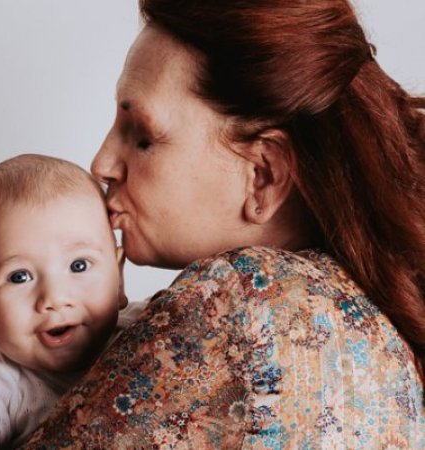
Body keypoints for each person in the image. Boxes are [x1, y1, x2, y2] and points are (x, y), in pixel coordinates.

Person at [22, 0, 425, 448]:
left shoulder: (237, 302)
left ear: (263, 176)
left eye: (142, 138)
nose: (103, 163)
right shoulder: (361, 315)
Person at [0, 154, 141, 450]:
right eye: (19, 277)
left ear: (119, 279)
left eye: (79, 266)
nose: (53, 298)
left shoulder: (149, 328)